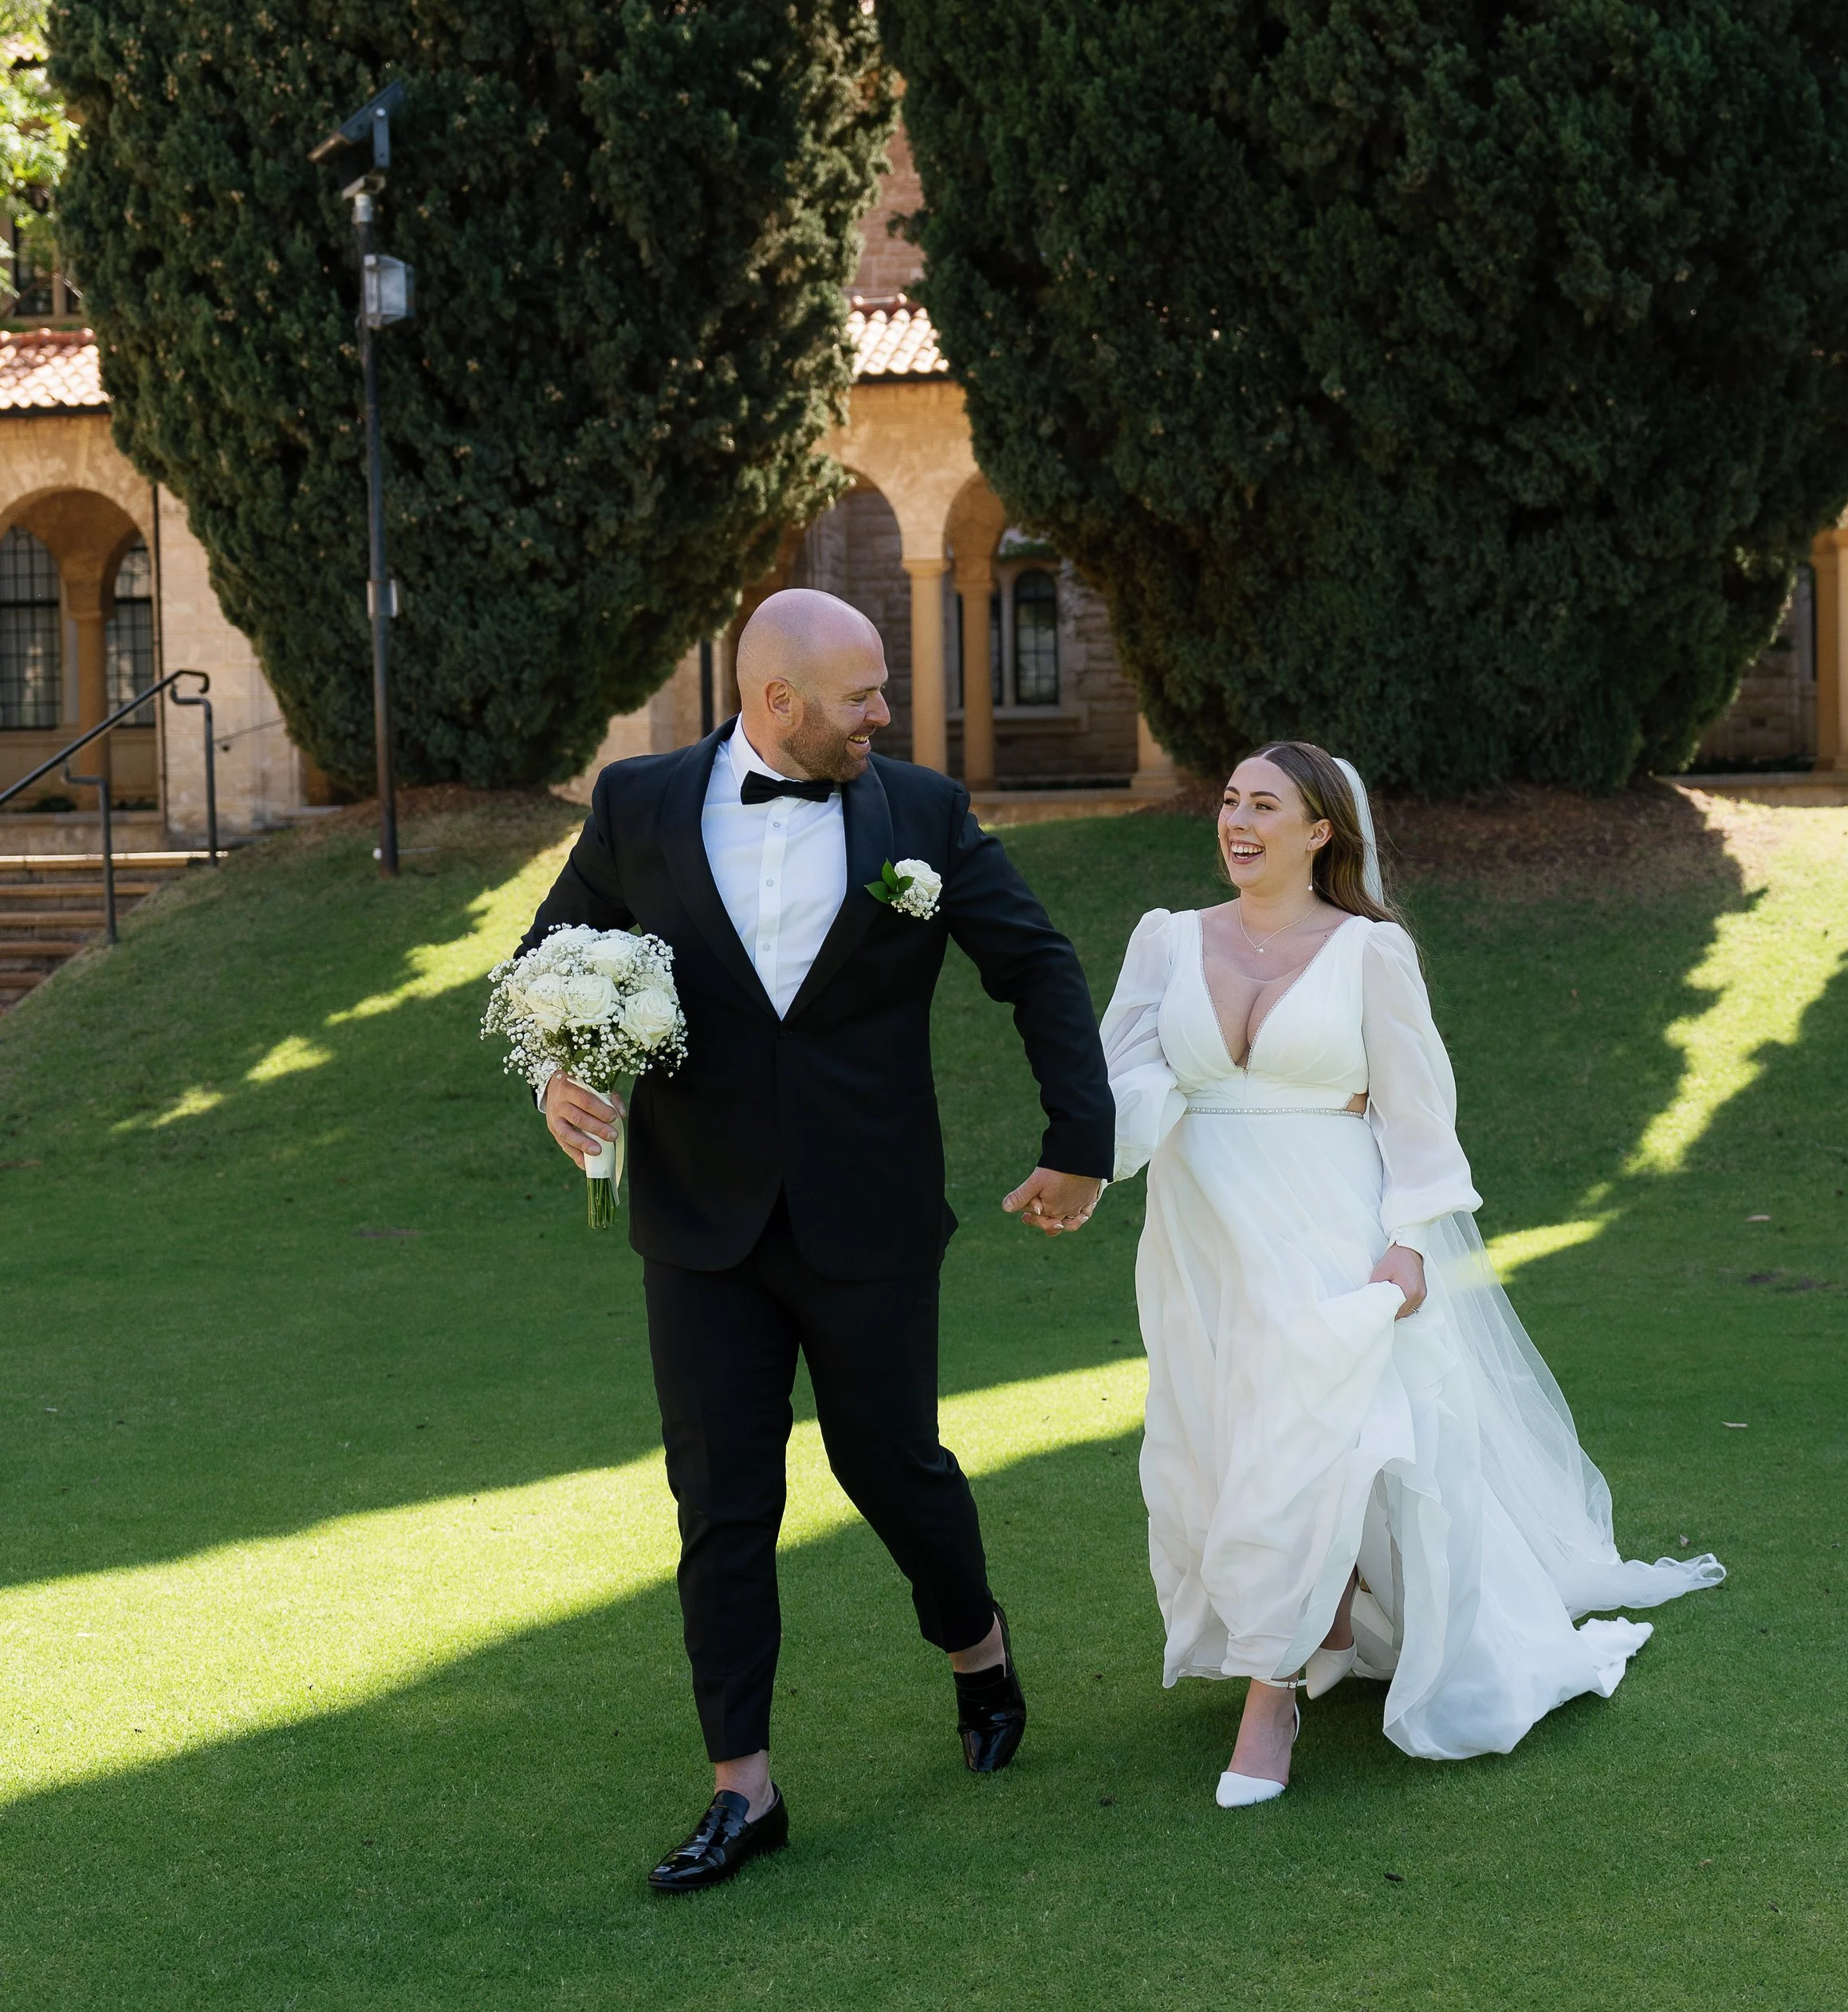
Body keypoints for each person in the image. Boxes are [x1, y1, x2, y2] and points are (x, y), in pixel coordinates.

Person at [522, 588, 1112, 1892]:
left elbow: (1037, 965)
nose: (885, 715)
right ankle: (745, 1788)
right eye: (864, 695)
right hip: (698, 1220)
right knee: (722, 1502)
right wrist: (561, 1071)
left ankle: (976, 1645)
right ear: (776, 701)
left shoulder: (924, 815)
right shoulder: (638, 803)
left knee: (892, 1464)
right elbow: (552, 951)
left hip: (871, 1210)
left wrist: (1081, 1136)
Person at [1099, 741, 1724, 1806]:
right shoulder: (1165, 942)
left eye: (1267, 805)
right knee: (1225, 1444)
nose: (1238, 822)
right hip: (1202, 1238)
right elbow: (1118, 1079)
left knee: (1310, 1439)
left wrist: (1411, 1240)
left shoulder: (1368, 954)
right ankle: (1326, 1615)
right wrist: (1076, 1172)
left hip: (1332, 1229)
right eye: (1230, 801)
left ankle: (1272, 1702)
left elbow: (1417, 1117)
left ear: (1321, 831)